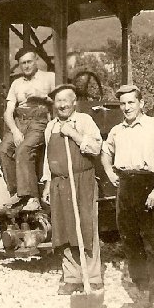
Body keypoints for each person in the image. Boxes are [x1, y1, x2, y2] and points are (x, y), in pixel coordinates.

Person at [101, 84, 154, 308]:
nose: (127, 107)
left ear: (142, 103)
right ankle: (143, 298)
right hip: (126, 187)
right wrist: (110, 172)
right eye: (123, 103)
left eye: (131, 102)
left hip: (150, 185)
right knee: (131, 244)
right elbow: (105, 152)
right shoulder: (117, 130)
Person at [42, 84, 103, 295]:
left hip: (82, 180)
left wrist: (74, 134)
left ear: (74, 102)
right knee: (65, 229)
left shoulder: (84, 121)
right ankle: (71, 277)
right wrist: (47, 183)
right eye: (58, 101)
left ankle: (92, 277)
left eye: (65, 100)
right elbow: (47, 158)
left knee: (86, 226)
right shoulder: (50, 127)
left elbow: (96, 148)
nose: (62, 105)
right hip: (59, 183)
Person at [0, 47, 55, 212]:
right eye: (23, 63)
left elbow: (62, 102)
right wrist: (15, 131)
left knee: (24, 149)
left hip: (39, 121)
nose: (26, 66)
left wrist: (43, 97)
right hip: (20, 122)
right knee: (3, 150)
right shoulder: (17, 83)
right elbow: (8, 112)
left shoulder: (50, 78)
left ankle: (33, 198)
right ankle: (17, 193)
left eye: (29, 61)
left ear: (36, 60)